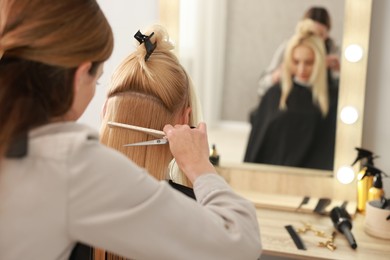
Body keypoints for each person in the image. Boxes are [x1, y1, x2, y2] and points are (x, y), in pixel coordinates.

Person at [0, 1, 261, 260]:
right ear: (80, 76)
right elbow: (241, 242)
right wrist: (199, 165)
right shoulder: (71, 164)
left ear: (107, 111)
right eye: (97, 78)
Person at [96, 25, 203, 259]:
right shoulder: (199, 216)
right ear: (185, 121)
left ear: (105, 112)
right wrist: (202, 170)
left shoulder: (70, 197)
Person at [244, 18, 338, 170]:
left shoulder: (332, 98)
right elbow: (256, 148)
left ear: (320, 62)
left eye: (309, 62)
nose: (301, 69)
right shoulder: (274, 94)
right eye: (296, 61)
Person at [257, 6, 340, 96]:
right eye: (311, 33)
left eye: (320, 35)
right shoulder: (288, 48)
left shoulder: (335, 52)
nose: (315, 40)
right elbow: (262, 87)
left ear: (327, 33)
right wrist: (275, 76)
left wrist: (339, 71)